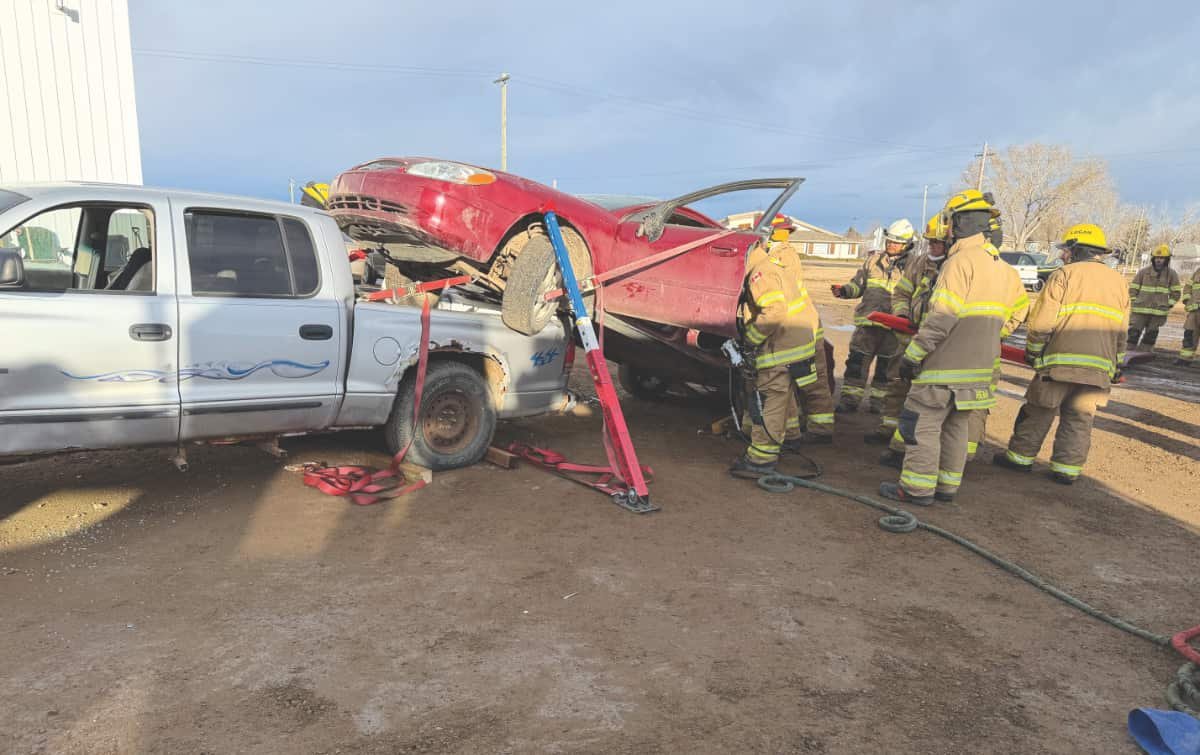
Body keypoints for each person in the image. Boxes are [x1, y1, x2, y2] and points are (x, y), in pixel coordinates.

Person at [878, 190, 1028, 505]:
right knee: (957, 427)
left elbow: (941, 318)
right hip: (979, 368)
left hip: (944, 367)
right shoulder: (1001, 267)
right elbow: (1016, 312)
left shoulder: (960, 262)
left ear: (957, 222)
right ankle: (946, 487)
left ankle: (917, 489)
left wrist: (913, 355)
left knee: (922, 424)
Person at [993, 224, 1129, 484]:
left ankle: (1019, 459)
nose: (1064, 254)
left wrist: (1033, 352)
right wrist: (1116, 365)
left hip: (1058, 364)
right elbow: (1122, 331)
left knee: (1039, 411)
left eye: (1066, 249)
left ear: (1077, 249)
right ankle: (1066, 471)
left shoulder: (1064, 275)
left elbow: (1042, 322)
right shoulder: (1119, 282)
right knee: (1080, 418)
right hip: (1099, 368)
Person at [731, 221, 834, 478]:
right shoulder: (768, 264)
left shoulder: (760, 273)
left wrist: (751, 340)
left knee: (771, 398)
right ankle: (790, 437)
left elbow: (774, 312)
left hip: (783, 346)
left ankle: (760, 460)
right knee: (783, 394)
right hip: (798, 341)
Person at [869, 214, 947, 447]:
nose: (932, 246)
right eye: (930, 241)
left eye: (937, 242)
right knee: (897, 385)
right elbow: (901, 293)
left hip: (938, 346)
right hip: (909, 338)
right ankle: (888, 430)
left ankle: (905, 446)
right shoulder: (919, 263)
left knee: (924, 398)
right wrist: (902, 315)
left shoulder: (955, 268)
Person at [831, 219, 914, 413]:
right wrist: (844, 291)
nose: (891, 245)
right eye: (889, 241)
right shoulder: (873, 261)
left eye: (896, 242)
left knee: (886, 371)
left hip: (894, 329)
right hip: (867, 325)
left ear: (907, 244)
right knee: (856, 364)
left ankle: (879, 405)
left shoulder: (913, 267)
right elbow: (857, 285)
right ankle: (850, 401)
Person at [1127, 245, 1181, 352]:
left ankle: (1143, 354)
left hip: (1158, 312)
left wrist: (1168, 304)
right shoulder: (1143, 272)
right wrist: (1134, 301)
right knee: (1133, 333)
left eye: (1161, 258)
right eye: (1157, 258)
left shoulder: (1172, 274)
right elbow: (1133, 289)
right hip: (1140, 311)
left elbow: (1176, 292)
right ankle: (1127, 352)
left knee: (1150, 336)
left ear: (1166, 260)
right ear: (1153, 259)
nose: (1158, 260)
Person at [1178, 264, 1200, 367]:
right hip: (1194, 311)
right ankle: (1184, 359)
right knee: (1189, 335)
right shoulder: (1198, 271)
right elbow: (1188, 286)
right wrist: (1187, 300)